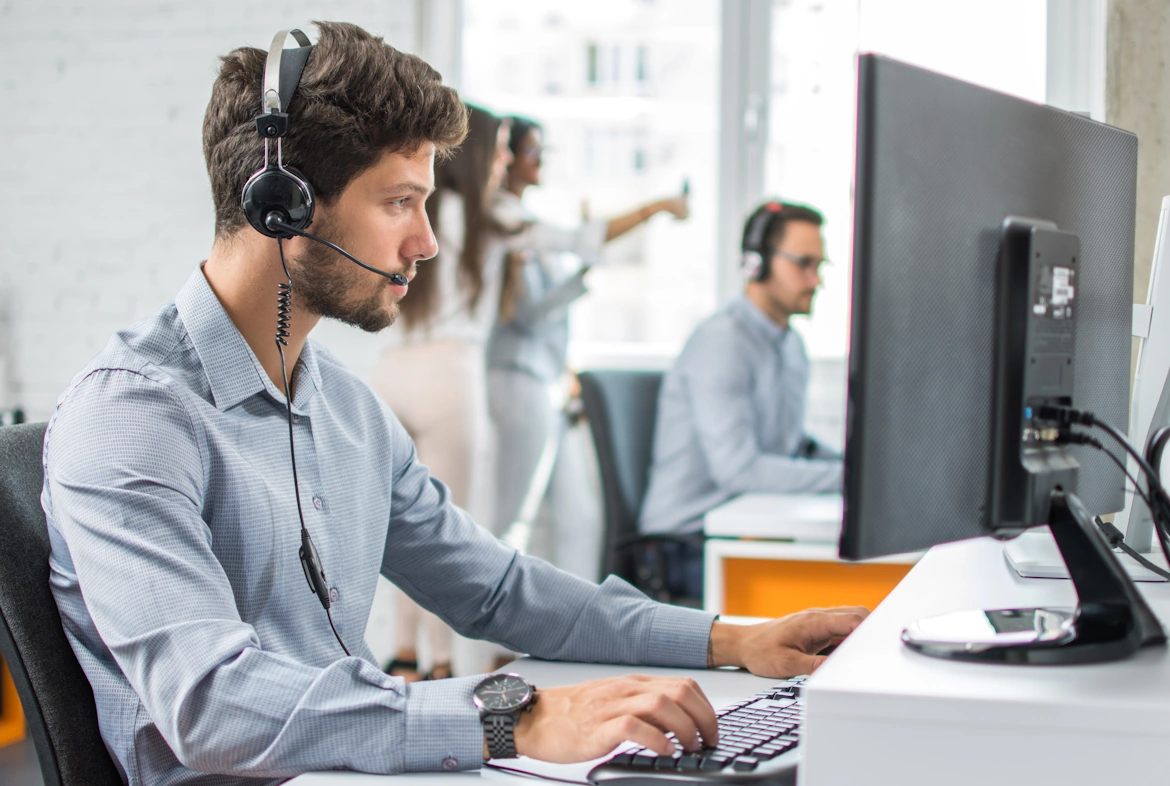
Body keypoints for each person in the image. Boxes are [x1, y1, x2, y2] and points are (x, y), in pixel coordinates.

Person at [42, 26, 865, 785]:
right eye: (399, 201)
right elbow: (211, 706)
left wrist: (733, 640)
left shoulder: (349, 414)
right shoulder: (132, 418)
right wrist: (517, 717)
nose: (426, 242)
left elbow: (500, 593)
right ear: (282, 204)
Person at [487, 116, 688, 570]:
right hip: (518, 377)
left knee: (582, 517)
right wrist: (587, 267)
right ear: (507, 158)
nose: (542, 161)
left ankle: (575, 634)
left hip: (548, 382)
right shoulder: (503, 222)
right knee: (512, 517)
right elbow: (526, 313)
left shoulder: (526, 225)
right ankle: (487, 641)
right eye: (533, 151)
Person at [371, 103, 512, 683]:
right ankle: (448, 669)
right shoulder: (492, 216)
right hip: (450, 374)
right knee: (451, 532)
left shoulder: (413, 211)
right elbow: (582, 236)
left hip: (392, 370)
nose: (504, 160)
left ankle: (404, 654)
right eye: (500, 148)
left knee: (402, 530)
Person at [639, 201, 843, 597]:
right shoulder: (723, 342)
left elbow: (794, 446)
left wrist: (861, 470)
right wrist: (847, 481)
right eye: (804, 263)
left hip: (745, 529)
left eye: (819, 266)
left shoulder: (790, 345)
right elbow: (740, 471)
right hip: (685, 546)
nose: (814, 279)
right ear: (756, 264)